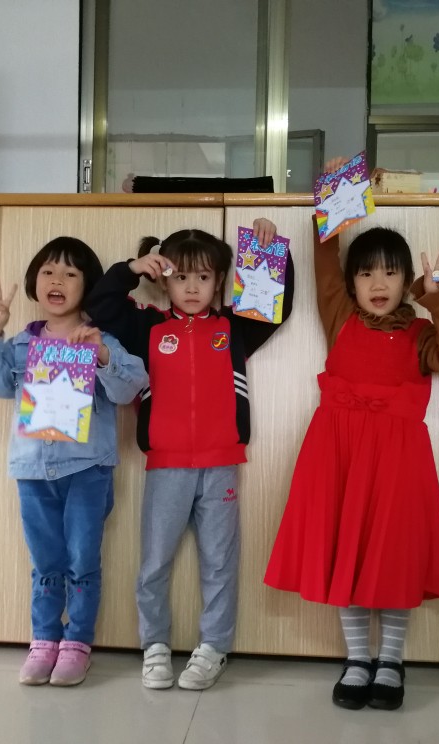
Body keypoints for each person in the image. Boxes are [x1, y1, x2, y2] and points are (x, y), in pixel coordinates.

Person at [264, 205, 439, 711]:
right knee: (348, 551)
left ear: (407, 281)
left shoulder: (422, 333)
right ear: (351, 283)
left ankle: (391, 660)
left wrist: (438, 303)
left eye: (391, 272)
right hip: (338, 452)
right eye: (365, 273)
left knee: (393, 556)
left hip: (399, 460)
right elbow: (324, 254)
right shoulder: (340, 316)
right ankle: (358, 658)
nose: (378, 283)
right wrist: (334, 194)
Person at [84, 219, 294, 691]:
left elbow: (277, 305)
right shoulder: (147, 326)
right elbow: (100, 306)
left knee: (219, 563)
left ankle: (214, 648)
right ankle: (154, 645)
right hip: (167, 466)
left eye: (203, 277)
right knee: (154, 563)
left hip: (222, 466)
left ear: (219, 280)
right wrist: (132, 268)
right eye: (181, 277)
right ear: (164, 280)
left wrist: (271, 246)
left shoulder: (235, 327)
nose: (193, 287)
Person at [0, 237, 147, 687]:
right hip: (31, 470)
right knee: (46, 561)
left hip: (86, 470)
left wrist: (101, 355)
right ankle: (44, 640)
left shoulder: (99, 339)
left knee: (82, 559)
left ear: (87, 285)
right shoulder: (21, 344)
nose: (57, 280)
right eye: (48, 271)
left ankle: (77, 642)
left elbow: (132, 386)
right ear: (34, 282)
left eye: (70, 273)